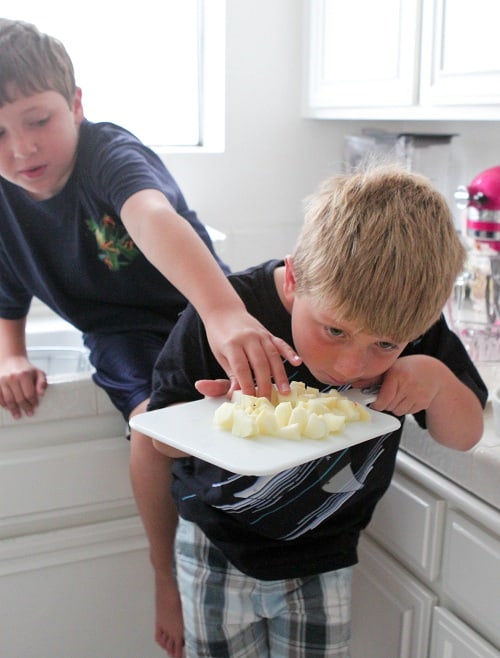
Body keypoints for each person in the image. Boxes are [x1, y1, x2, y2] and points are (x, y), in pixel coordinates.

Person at [0, 18, 300, 656]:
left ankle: (283, 562)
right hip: (121, 337)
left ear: (76, 106)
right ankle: (169, 577)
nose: (20, 148)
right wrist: (12, 354)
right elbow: (7, 290)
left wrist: (222, 312)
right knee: (156, 433)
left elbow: (152, 214)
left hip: (203, 303)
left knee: (274, 414)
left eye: (36, 119)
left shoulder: (108, 152)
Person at [148, 165, 488, 658]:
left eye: (385, 345)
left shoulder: (412, 324)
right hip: (214, 548)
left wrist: (434, 377)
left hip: (324, 556)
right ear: (295, 281)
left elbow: (465, 434)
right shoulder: (232, 316)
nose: (352, 364)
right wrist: (216, 413)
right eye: (334, 331)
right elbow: (159, 439)